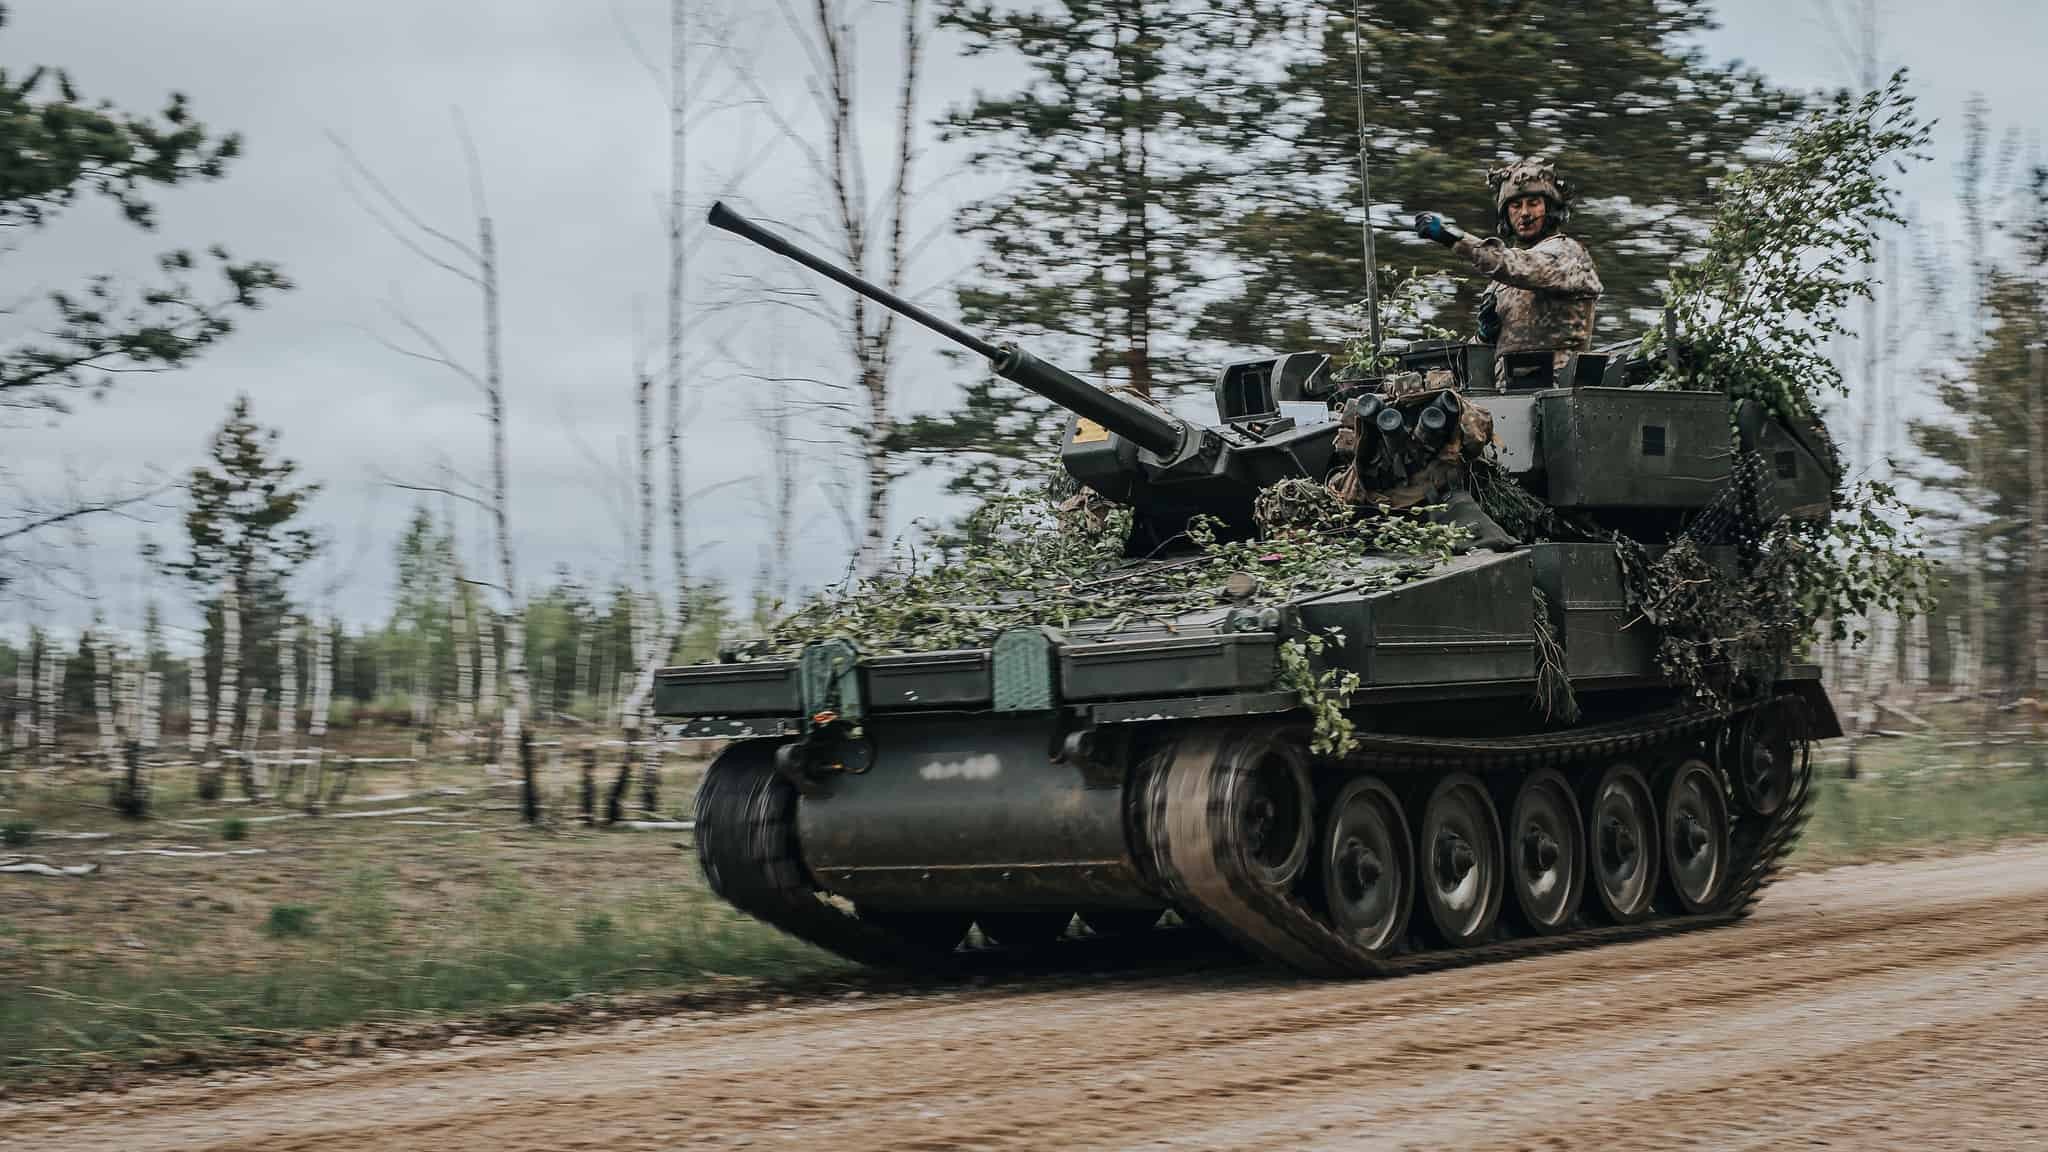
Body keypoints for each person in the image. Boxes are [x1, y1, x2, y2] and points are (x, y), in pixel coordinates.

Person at [1415, 158, 1602, 376]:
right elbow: (1489, 351)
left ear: (1550, 209)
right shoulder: (1501, 283)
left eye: (1533, 203)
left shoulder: (1567, 254)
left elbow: (1520, 266)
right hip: (1506, 390)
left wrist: (1452, 238)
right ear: (1506, 215)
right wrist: (1483, 337)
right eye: (1515, 206)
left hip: (1557, 385)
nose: (1524, 213)